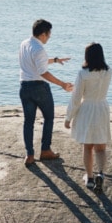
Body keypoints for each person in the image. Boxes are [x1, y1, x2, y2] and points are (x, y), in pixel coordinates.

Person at [19, 19, 72, 166]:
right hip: (39, 88)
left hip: (24, 87)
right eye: (49, 34)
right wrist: (62, 84)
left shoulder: (24, 44)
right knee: (49, 118)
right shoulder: (39, 49)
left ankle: (29, 154)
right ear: (43, 34)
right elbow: (42, 71)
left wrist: (55, 60)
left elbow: (36, 62)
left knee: (28, 122)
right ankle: (45, 150)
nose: (49, 37)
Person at [65, 42, 112, 192]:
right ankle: (101, 174)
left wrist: (68, 117)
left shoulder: (83, 73)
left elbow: (76, 98)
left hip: (87, 109)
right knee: (101, 146)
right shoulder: (108, 71)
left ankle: (90, 178)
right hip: (102, 107)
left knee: (88, 146)